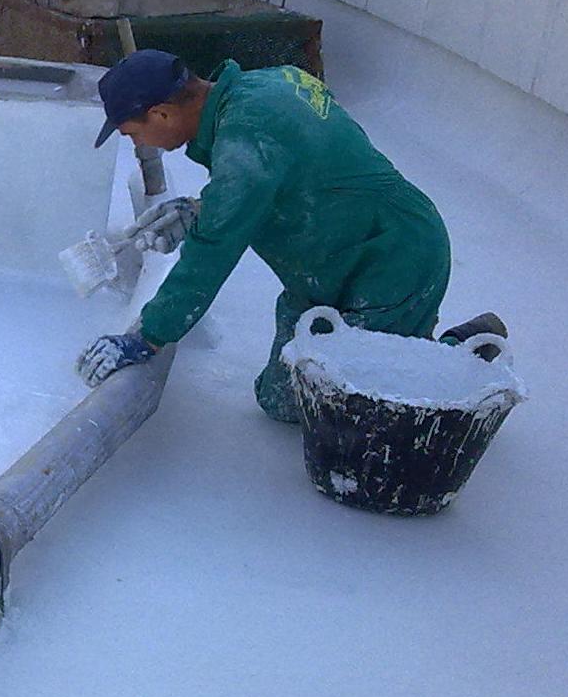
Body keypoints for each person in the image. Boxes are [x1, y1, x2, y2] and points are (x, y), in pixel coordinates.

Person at [77, 50, 500, 422]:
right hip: (329, 264)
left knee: (369, 409)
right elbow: (298, 163)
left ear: (161, 113)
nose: (138, 142)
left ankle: (457, 355)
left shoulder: (245, 145)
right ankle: (406, 345)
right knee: (281, 400)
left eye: (132, 132)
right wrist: (203, 209)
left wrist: (147, 337)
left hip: (392, 259)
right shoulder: (267, 85)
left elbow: (209, 259)